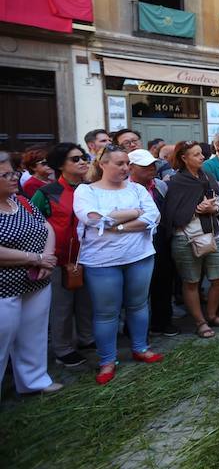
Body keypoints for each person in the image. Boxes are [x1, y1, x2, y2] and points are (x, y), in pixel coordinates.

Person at [73, 145, 163, 385]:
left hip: (140, 256)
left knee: (138, 304)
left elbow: (152, 216)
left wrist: (118, 224)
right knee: (105, 313)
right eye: (119, 163)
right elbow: (92, 218)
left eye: (127, 164)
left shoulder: (137, 189)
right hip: (102, 262)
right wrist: (133, 212)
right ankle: (107, 360)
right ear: (102, 164)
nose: (125, 168)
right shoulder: (86, 190)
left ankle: (140, 347)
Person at [0, 151, 63, 399]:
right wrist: (35, 258)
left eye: (14, 172)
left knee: (33, 333)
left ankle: (34, 380)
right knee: (3, 338)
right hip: (4, 287)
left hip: (36, 281)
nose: (14, 178)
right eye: (6, 175)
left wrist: (47, 257)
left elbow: (45, 226)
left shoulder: (20, 201)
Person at [30, 143, 94, 367]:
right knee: (62, 307)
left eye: (83, 157)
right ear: (60, 166)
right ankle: (63, 348)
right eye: (75, 159)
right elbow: (33, 224)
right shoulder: (46, 193)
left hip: (90, 256)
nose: (82, 161)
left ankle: (87, 338)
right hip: (59, 260)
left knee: (87, 302)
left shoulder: (92, 188)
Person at [164, 141, 219, 338]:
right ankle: (200, 322)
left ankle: (211, 314)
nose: (202, 157)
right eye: (196, 155)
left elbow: (218, 201)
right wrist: (194, 209)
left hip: (212, 233)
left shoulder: (206, 176)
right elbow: (172, 213)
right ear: (184, 158)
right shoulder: (176, 182)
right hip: (187, 238)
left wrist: (213, 208)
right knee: (191, 281)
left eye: (202, 154)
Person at [128, 149, 180, 337]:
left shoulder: (159, 185)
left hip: (160, 240)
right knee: (137, 286)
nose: (151, 168)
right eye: (145, 166)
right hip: (135, 240)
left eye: (152, 165)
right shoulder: (125, 188)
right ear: (131, 167)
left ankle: (162, 321)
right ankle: (133, 326)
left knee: (163, 280)